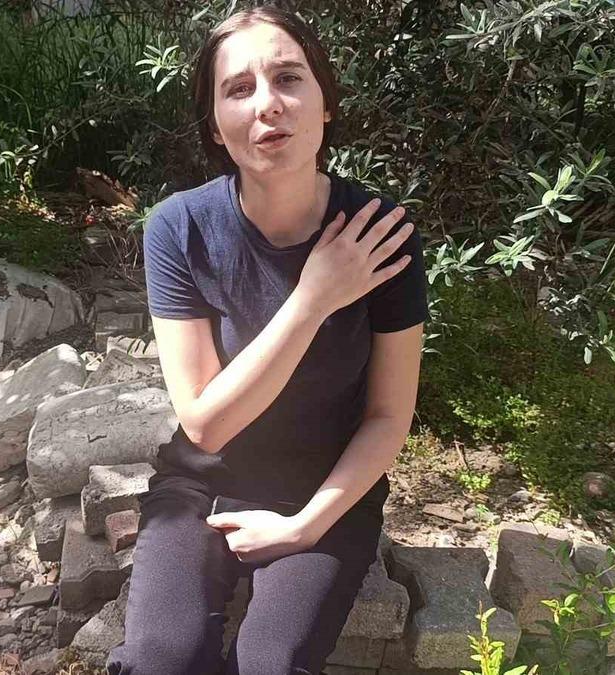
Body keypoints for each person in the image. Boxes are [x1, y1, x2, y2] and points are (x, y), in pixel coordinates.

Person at [105, 6, 427, 674]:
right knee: (161, 660)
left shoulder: (381, 234)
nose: (267, 105)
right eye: (238, 89)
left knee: (272, 664)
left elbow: (388, 416)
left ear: (325, 102)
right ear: (215, 125)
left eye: (287, 78)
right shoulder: (180, 229)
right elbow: (205, 424)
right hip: (199, 486)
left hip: (325, 490)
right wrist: (313, 299)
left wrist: (306, 525)